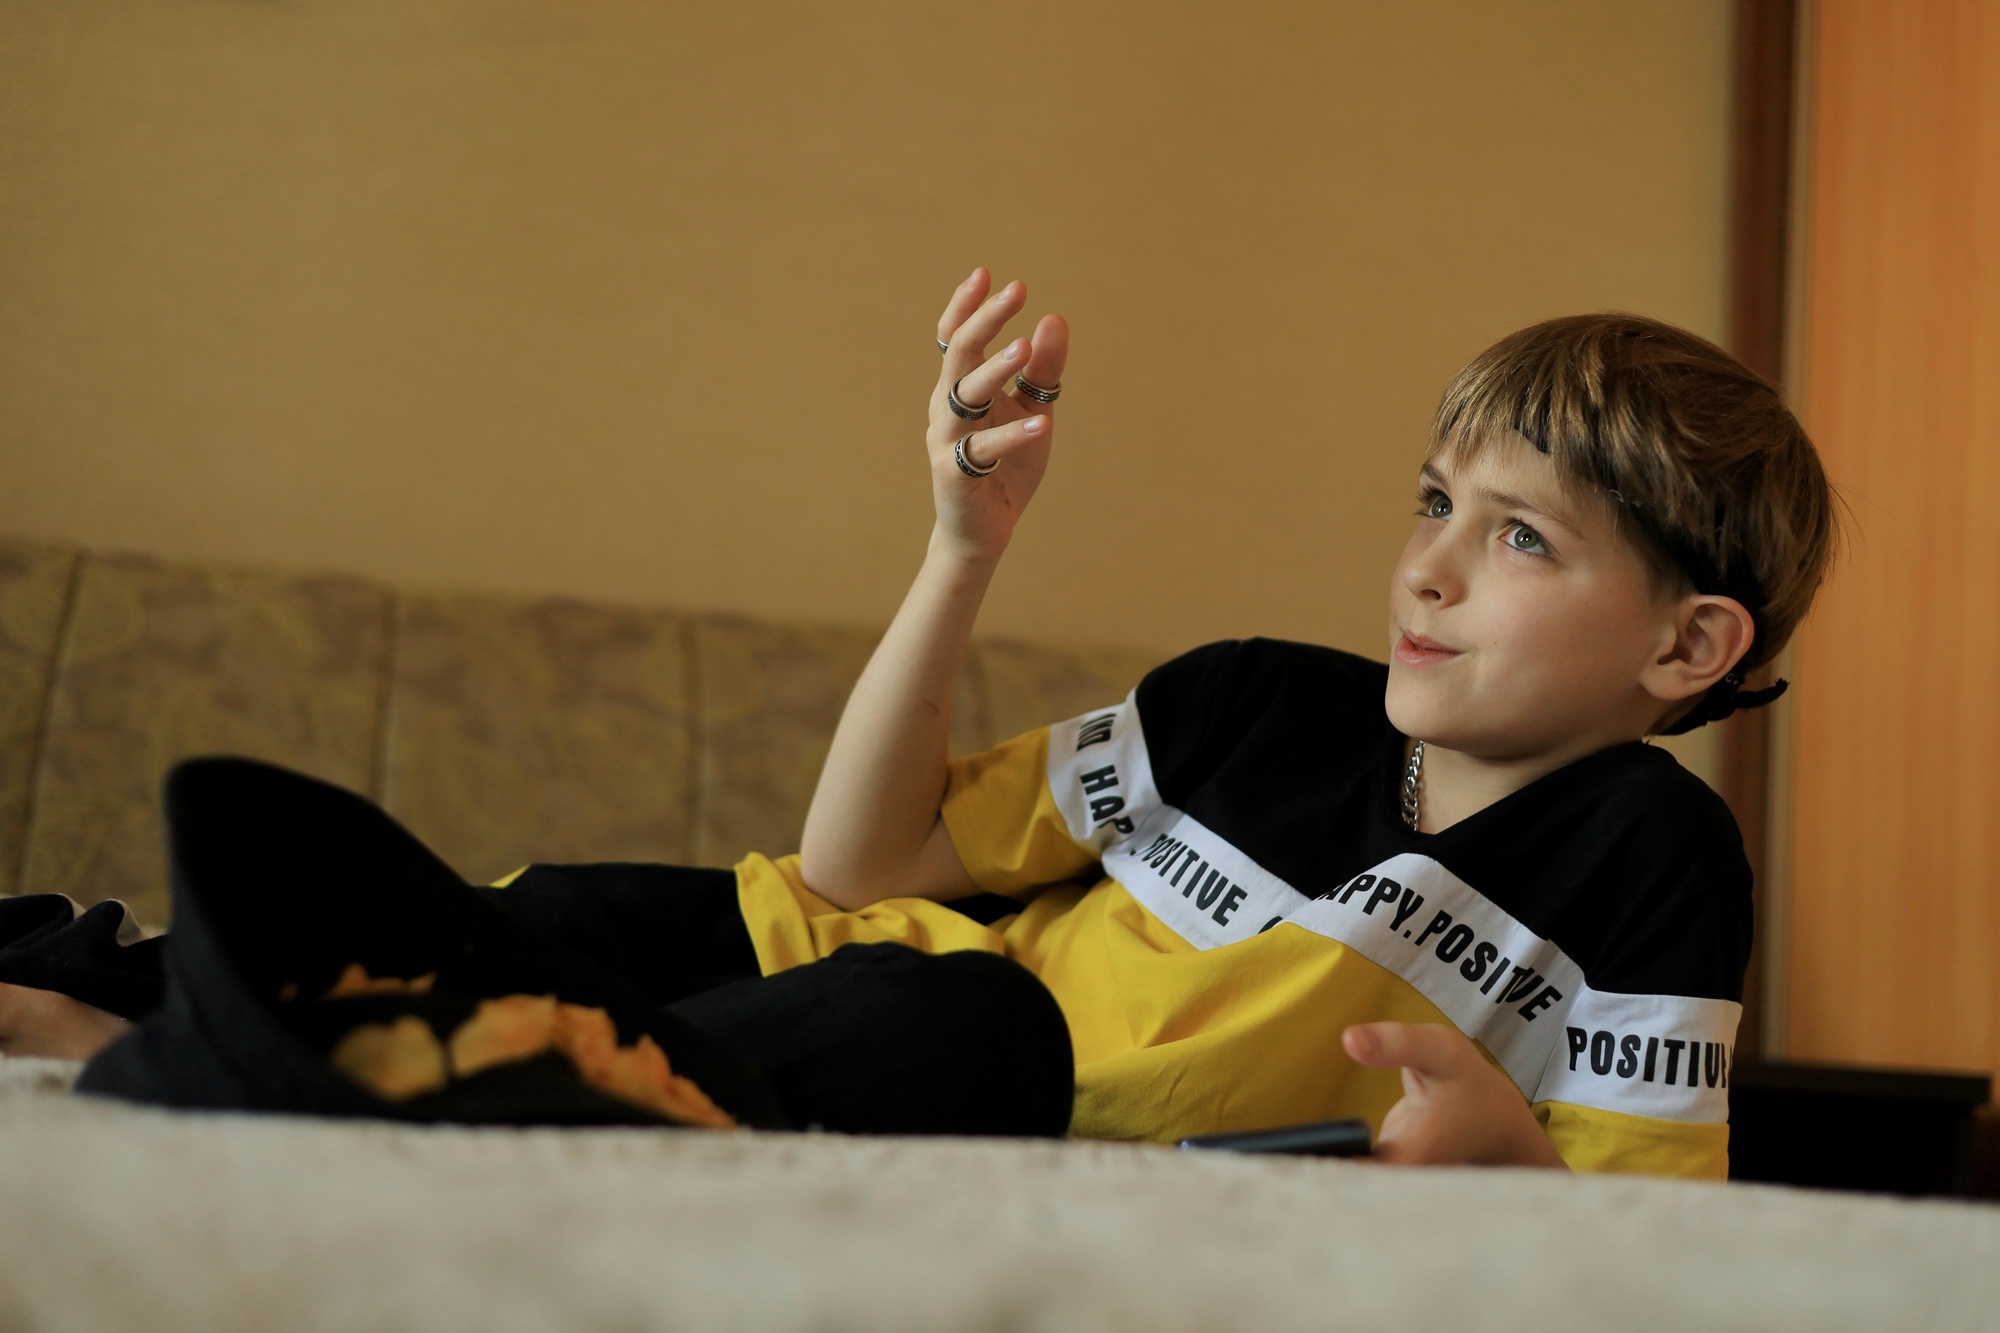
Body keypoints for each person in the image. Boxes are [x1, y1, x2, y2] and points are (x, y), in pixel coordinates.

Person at [0, 270, 1835, 1176]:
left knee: (950, 1007)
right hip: (827, 941)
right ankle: (120, 987)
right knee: (560, 903)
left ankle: (294, 1055)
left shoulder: (1654, 864)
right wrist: (966, 544)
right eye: (1433, 500)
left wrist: (1505, 1164)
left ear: (1688, 641)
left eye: (1517, 535)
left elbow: (1650, 1215)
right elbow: (855, 863)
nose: (1431, 566)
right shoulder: (1258, 700)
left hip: (969, 1061)